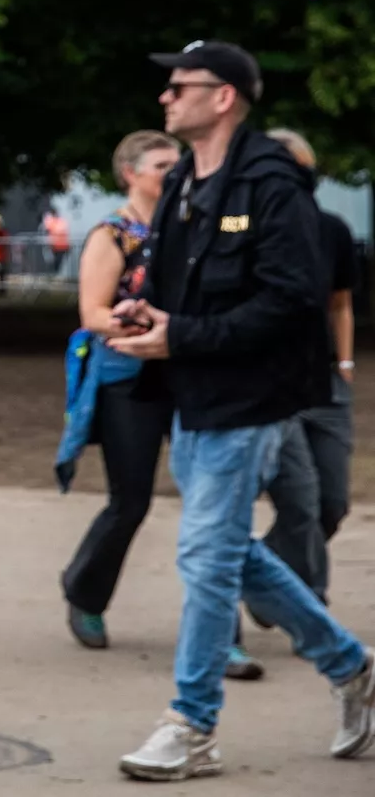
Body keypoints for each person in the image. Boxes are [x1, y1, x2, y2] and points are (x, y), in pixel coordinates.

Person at [109, 40, 374, 780]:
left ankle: (192, 724)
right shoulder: (187, 180)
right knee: (228, 549)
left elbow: (292, 301)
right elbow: (182, 283)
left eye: (179, 86)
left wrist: (182, 336)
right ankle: (353, 668)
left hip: (252, 397)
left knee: (205, 555)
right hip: (195, 392)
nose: (166, 98)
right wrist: (148, 312)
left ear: (222, 96)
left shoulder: (271, 184)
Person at [56, 130, 181, 650]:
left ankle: (224, 630)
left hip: (189, 373)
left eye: (179, 164)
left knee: (212, 502)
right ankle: (85, 592)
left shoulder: (192, 226)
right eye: (162, 166)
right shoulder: (112, 235)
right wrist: (142, 326)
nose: (174, 174)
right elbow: (93, 314)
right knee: (131, 501)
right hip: (128, 378)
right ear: (131, 173)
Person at [258, 128, 356, 602]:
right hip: (272, 384)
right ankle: (309, 601)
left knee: (333, 503)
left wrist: (346, 361)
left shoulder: (331, 229)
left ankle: (263, 572)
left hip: (326, 382)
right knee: (302, 500)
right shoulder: (241, 222)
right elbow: (214, 231)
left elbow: (341, 302)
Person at [45, 207, 73, 278]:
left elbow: (63, 232)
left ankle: (56, 275)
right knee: (55, 262)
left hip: (61, 246)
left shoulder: (58, 221)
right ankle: (55, 275)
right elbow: (48, 231)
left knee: (58, 263)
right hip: (55, 246)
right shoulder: (54, 221)